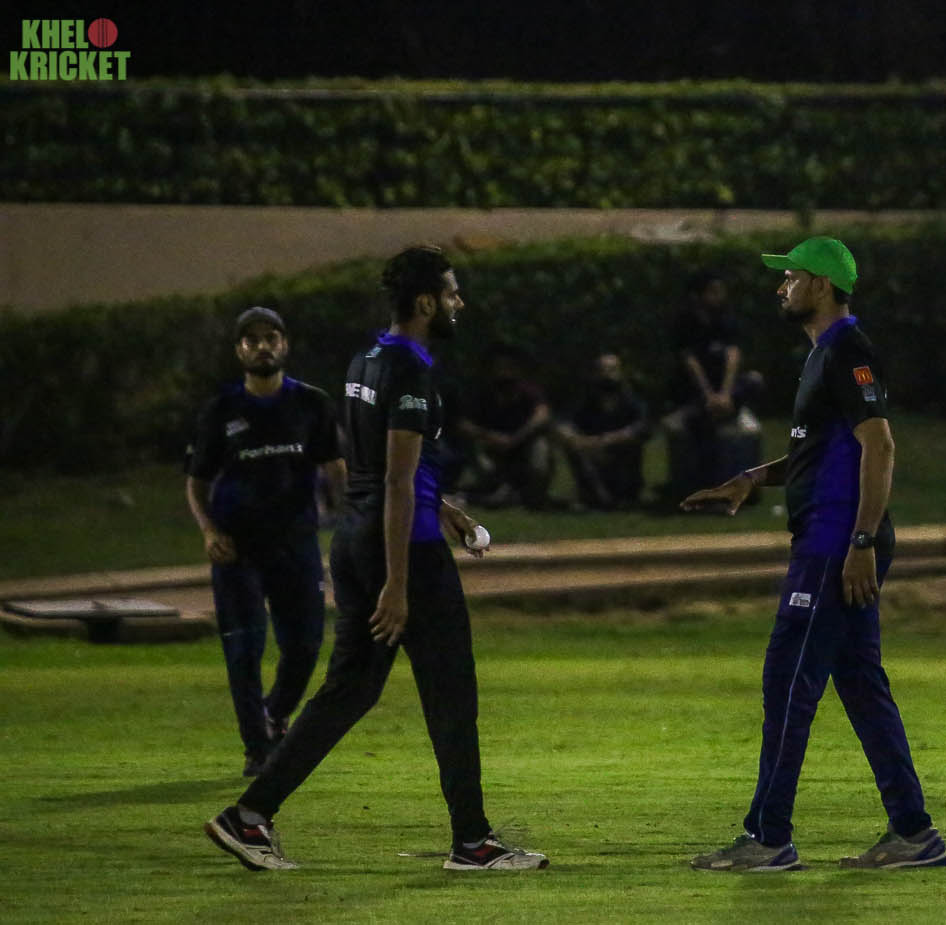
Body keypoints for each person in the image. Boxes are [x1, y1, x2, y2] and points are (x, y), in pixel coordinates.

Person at [203, 245, 547, 873]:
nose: (459, 302)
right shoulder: (412, 371)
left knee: (350, 689)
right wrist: (398, 583)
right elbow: (395, 479)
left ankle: (248, 816)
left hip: (357, 538)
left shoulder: (366, 359)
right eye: (451, 292)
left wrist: (447, 510)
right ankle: (473, 843)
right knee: (451, 694)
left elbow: (377, 471)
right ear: (426, 302)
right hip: (404, 550)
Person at [681, 236, 946, 872]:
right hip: (834, 541)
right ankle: (914, 833)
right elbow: (820, 451)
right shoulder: (824, 354)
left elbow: (880, 446)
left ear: (822, 285)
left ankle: (768, 837)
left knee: (788, 682)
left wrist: (861, 540)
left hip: (834, 544)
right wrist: (753, 477)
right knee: (861, 686)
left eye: (792, 277)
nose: (782, 287)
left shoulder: (848, 351)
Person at [185, 306, 344, 777]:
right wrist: (210, 531)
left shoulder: (311, 404)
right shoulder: (221, 410)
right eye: (251, 340)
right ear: (239, 351)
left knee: (306, 645)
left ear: (284, 345)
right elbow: (196, 482)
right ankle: (257, 748)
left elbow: (334, 467)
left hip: (296, 543)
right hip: (239, 550)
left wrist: (349, 520)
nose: (262, 347)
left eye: (270, 337)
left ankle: (274, 714)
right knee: (244, 650)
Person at [662, 269, 764, 499]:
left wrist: (725, 394)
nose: (719, 296)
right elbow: (690, 362)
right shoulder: (685, 323)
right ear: (698, 295)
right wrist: (709, 395)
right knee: (704, 423)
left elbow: (733, 355)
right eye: (713, 292)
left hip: (723, 391)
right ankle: (711, 485)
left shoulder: (726, 320)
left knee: (754, 381)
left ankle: (720, 412)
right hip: (696, 391)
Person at [457, 343, 556, 510]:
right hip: (493, 448)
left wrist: (515, 438)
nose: (504, 372)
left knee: (541, 449)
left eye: (508, 368)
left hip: (524, 446)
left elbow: (542, 415)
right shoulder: (484, 394)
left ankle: (533, 496)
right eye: (499, 368)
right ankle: (495, 489)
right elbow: (463, 424)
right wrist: (489, 436)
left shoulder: (529, 392)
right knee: (471, 449)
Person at [556, 352, 652, 510]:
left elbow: (642, 426)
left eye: (612, 369)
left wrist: (608, 440)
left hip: (619, 451)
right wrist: (578, 440)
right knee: (573, 447)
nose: (607, 374)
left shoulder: (631, 400)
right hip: (591, 451)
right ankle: (592, 495)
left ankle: (624, 495)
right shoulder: (585, 400)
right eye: (602, 370)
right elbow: (563, 423)